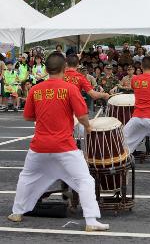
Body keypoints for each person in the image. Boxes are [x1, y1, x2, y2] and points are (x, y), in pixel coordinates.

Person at [8, 52, 109, 232]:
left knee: (26, 177)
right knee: (85, 180)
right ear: (64, 69)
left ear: (46, 70)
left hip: (39, 146)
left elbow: (28, 117)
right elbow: (83, 115)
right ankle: (91, 220)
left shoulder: (35, 90)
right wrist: (87, 127)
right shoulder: (70, 89)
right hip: (64, 146)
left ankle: (17, 212)